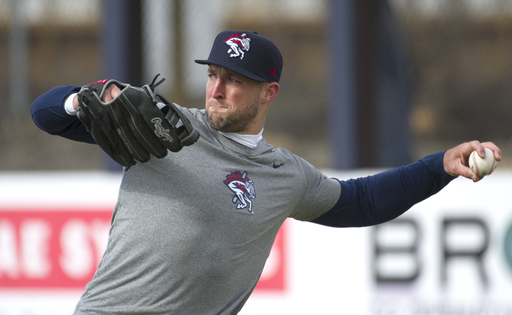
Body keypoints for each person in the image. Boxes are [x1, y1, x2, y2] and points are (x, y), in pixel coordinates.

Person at [30, 30, 501, 315]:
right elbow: (44, 114)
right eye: (214, 74)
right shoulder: (160, 128)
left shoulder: (285, 174)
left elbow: (363, 202)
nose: (217, 89)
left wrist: (438, 166)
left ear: (269, 93)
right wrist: (85, 98)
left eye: (235, 80)